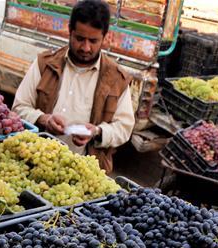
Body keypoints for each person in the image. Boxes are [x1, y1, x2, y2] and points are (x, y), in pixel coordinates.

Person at [12, 0, 135, 173]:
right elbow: (18, 107)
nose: (85, 47)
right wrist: (44, 119)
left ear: (104, 38)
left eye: (93, 41)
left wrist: (97, 131)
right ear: (69, 32)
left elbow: (124, 127)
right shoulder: (45, 64)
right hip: (36, 162)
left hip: (84, 173)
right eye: (79, 39)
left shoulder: (116, 78)